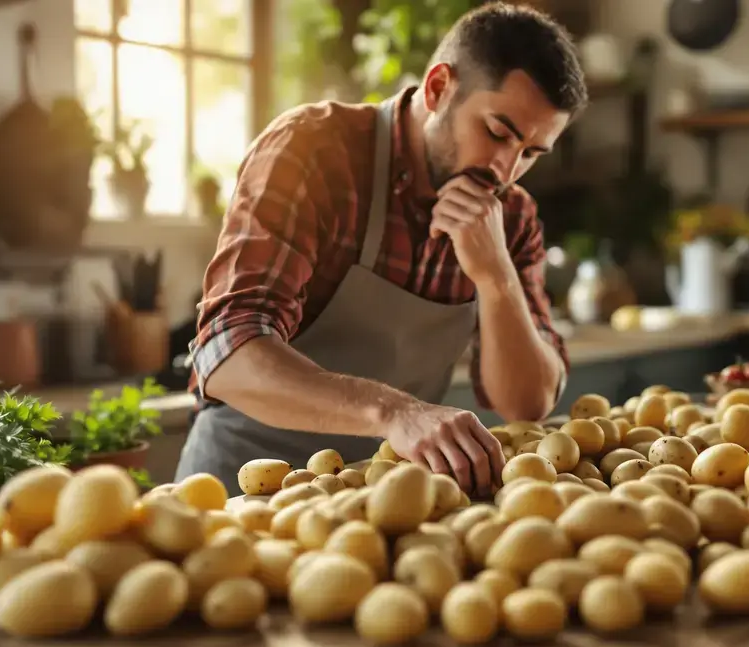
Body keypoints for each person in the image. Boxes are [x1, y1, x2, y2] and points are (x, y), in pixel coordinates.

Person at [175, 2, 588, 498]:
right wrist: (395, 412)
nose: (505, 169)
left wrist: (496, 278)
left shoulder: (510, 217)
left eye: (530, 154)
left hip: (383, 500)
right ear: (439, 88)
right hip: (242, 487)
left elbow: (528, 402)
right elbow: (227, 355)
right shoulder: (314, 150)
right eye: (497, 132)